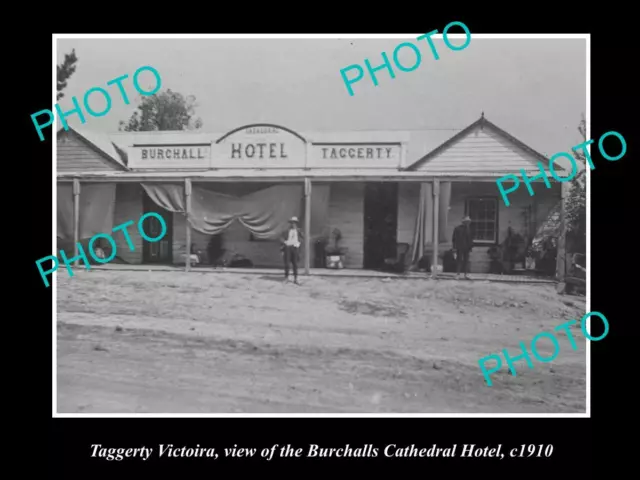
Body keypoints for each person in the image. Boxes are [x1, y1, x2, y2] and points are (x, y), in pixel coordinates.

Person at [281, 216, 304, 284]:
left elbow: (303, 237)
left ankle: (295, 279)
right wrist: (285, 242)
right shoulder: (286, 230)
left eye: (294, 223)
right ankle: (286, 278)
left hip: (295, 248)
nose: (293, 224)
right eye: (292, 223)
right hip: (288, 248)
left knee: (295, 264)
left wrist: (299, 243)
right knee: (287, 264)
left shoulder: (299, 230)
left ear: (296, 223)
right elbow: (281, 238)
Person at [452, 215, 473, 279]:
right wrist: (454, 248)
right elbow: (454, 239)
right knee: (459, 261)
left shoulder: (469, 229)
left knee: (466, 261)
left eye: (468, 222)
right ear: (463, 222)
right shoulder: (457, 229)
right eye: (466, 221)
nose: (468, 223)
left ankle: (466, 274)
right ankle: (458, 274)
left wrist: (470, 247)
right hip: (459, 247)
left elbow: (470, 239)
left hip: (467, 247)